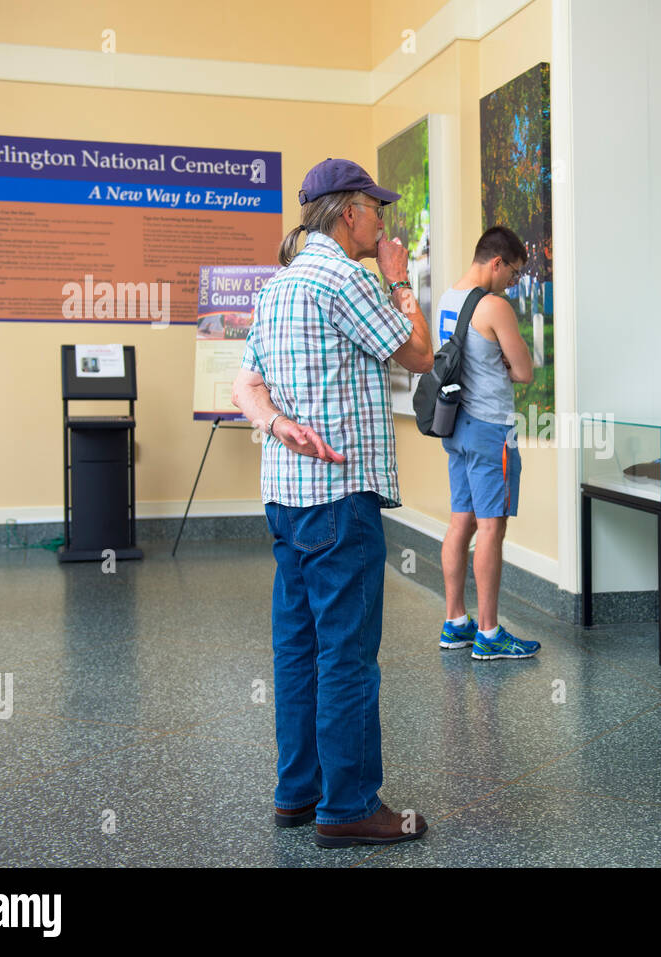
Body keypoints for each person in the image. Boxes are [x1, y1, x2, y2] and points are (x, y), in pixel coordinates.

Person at [231, 158, 434, 849]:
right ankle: (347, 805)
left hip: (285, 500)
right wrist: (400, 274)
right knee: (346, 651)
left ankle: (298, 790)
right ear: (349, 212)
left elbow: (244, 384)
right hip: (338, 498)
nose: (384, 222)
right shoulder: (346, 277)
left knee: (299, 647)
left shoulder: (279, 285)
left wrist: (273, 424)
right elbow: (420, 354)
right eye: (377, 209)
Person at [436, 227, 541, 661]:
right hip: (490, 429)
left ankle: (455, 622)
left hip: (456, 426)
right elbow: (525, 371)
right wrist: (507, 356)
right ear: (495, 262)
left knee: (462, 520)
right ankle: (489, 632)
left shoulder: (446, 298)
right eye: (514, 273)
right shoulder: (494, 306)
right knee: (492, 527)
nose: (513, 282)